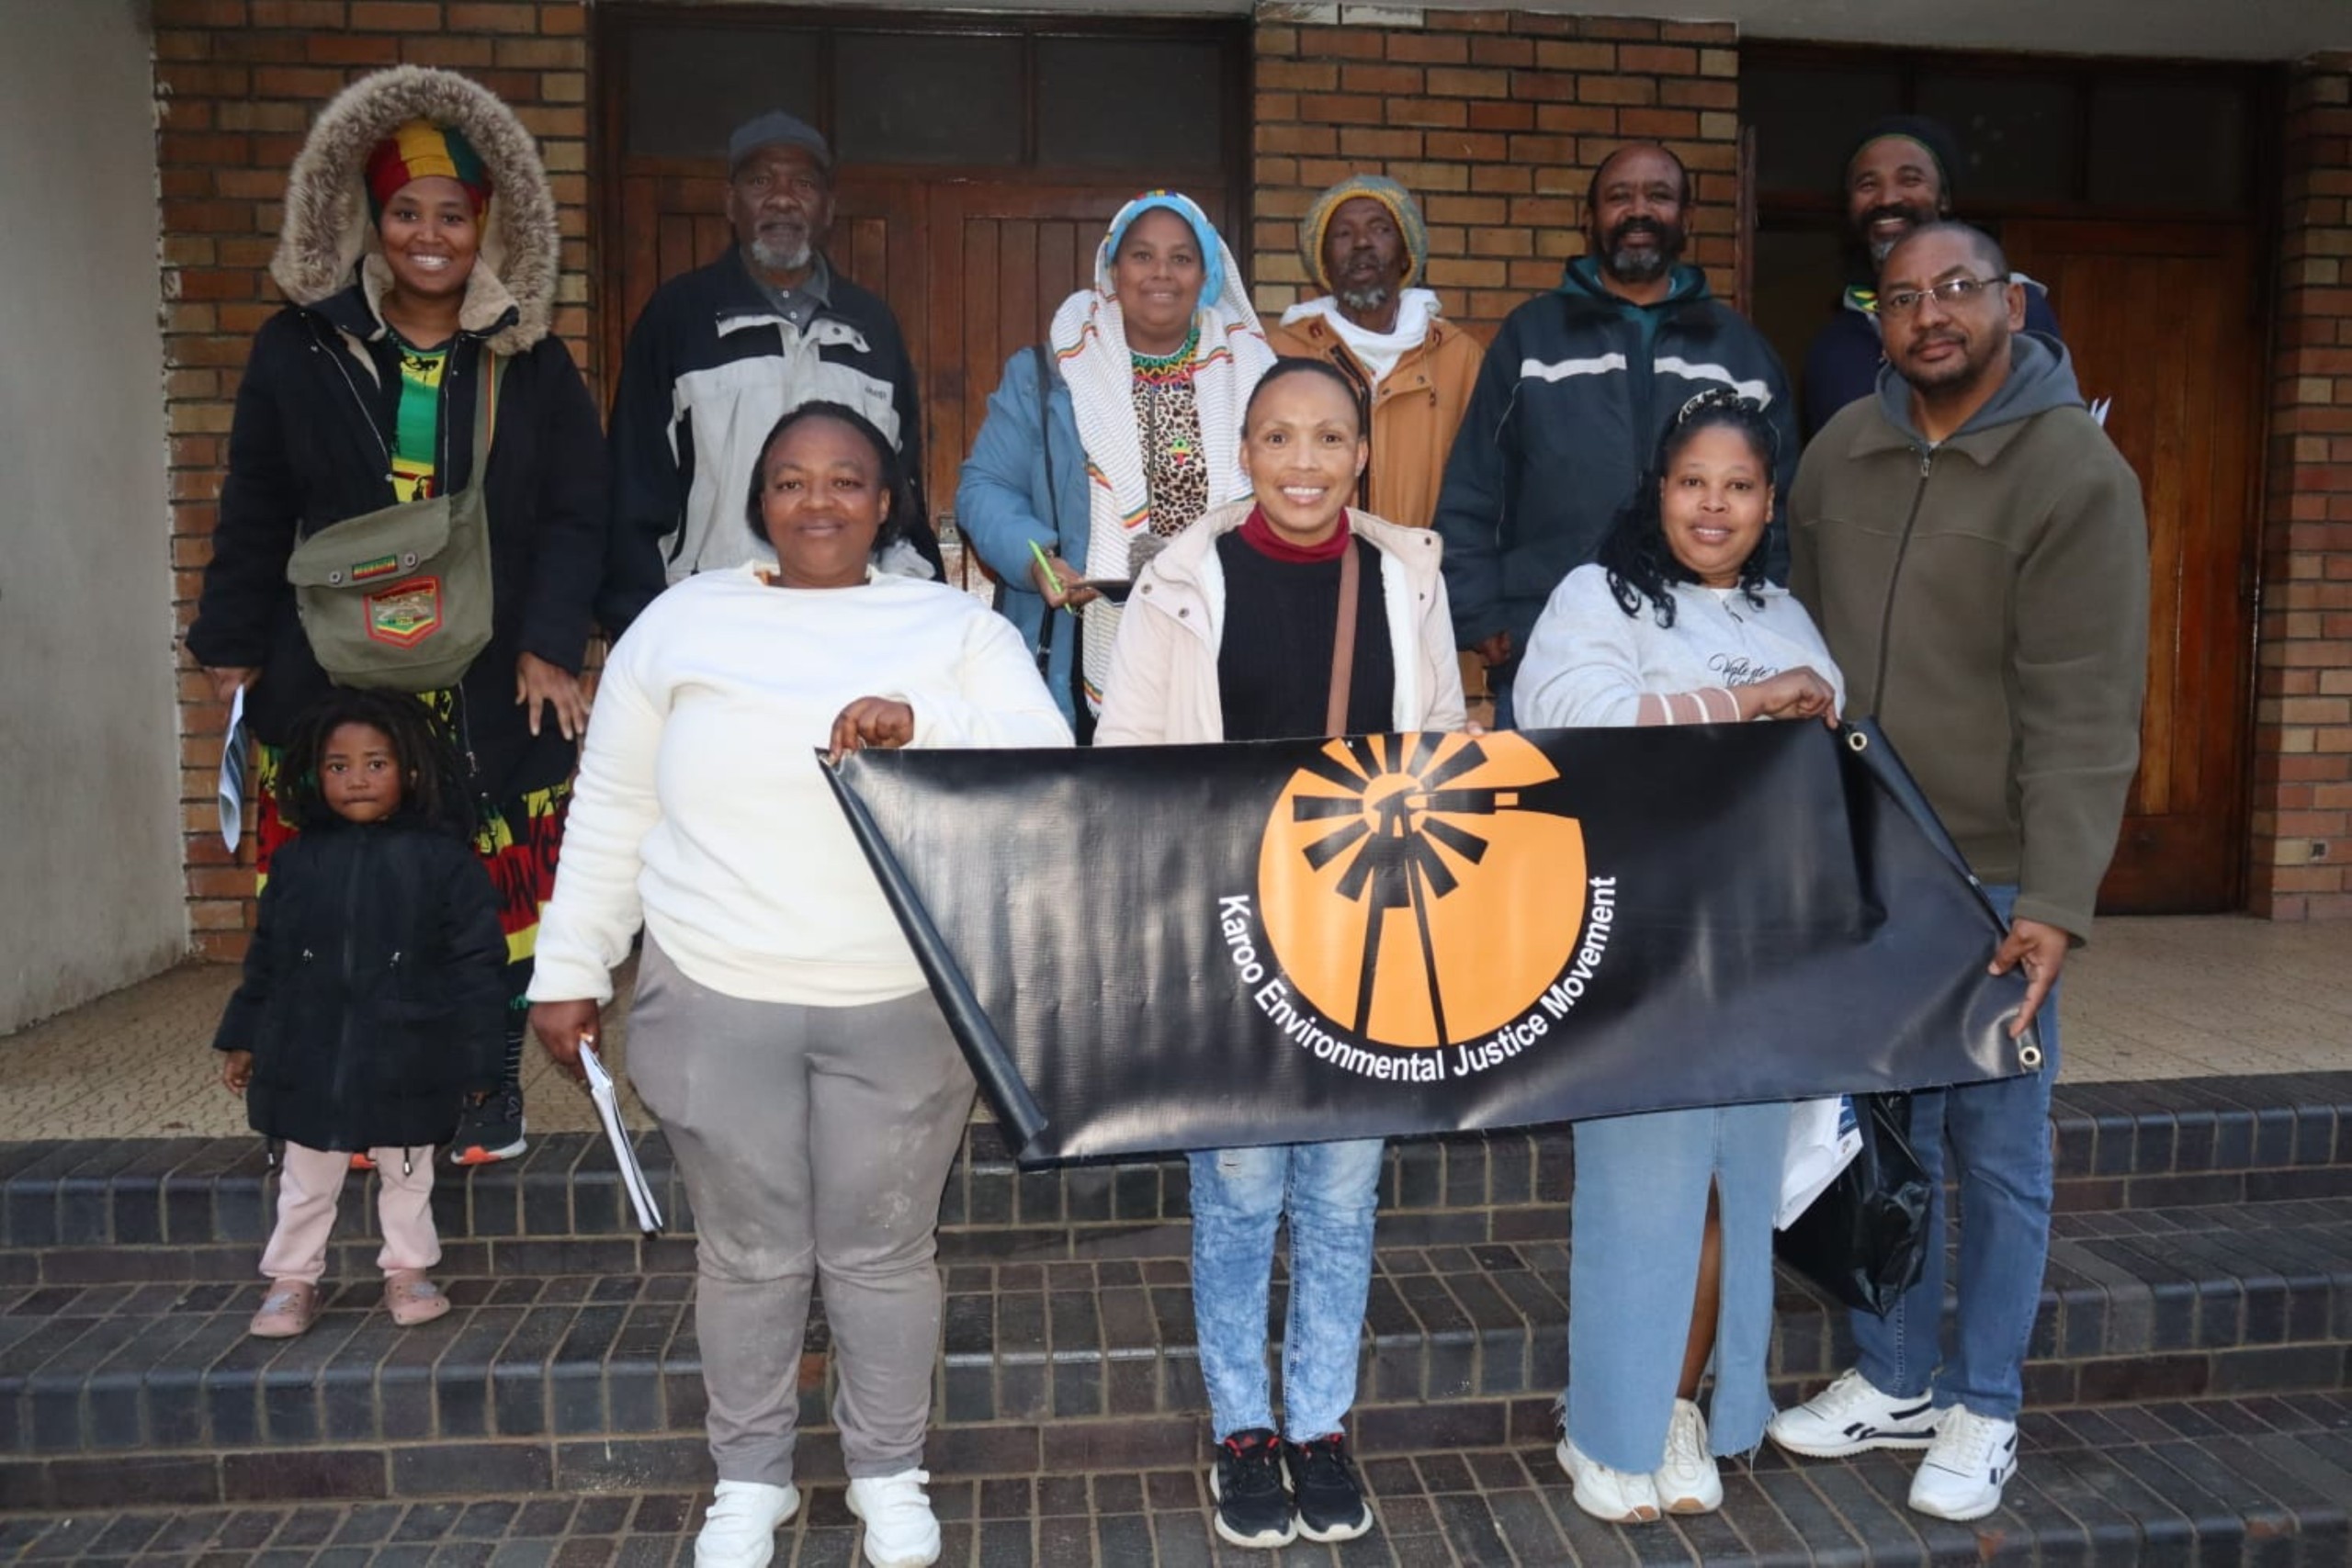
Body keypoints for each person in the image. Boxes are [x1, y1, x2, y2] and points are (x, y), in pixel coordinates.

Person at [526, 404, 1070, 1568]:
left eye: (845, 480)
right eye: (790, 480)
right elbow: (613, 805)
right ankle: (749, 1482)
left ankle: (888, 1473)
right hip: (715, 986)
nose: (817, 501)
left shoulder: (951, 625)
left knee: (883, 1251)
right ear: (759, 501)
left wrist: (921, 722)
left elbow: (1046, 762)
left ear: (887, 502)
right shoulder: (680, 622)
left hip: (901, 998)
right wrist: (569, 965)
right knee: (748, 1255)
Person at [1770, 221, 2147, 1522]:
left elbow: (2088, 705)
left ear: (2010, 305)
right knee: (1890, 1140)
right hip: (1868, 863)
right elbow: (1792, 634)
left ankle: (1986, 1400)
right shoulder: (1839, 450)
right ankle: (1895, 1376)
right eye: (1902, 297)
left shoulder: (2074, 469)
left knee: (1998, 1149)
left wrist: (2055, 901)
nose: (1930, 314)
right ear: (1875, 319)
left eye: (1956, 290)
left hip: (1993, 877)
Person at [186, 65, 607, 1168]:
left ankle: (487, 1089)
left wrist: (550, 645)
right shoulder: (296, 348)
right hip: (336, 664)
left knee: (493, 898)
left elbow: (579, 511)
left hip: (488, 672)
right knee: (347, 893)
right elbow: (255, 501)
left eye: (452, 215)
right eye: (407, 212)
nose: (430, 236)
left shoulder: (530, 357)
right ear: (371, 223)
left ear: (486, 226)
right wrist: (232, 644)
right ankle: (356, 1098)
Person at [1096, 359, 1467, 1551]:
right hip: (1226, 931)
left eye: (1328, 438)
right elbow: (1128, 762)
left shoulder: (1406, 577)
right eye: (1277, 437)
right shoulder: (1181, 580)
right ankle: (1243, 1428)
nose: (1303, 462)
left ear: (1361, 452)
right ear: (1244, 450)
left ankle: (1319, 1424)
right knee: (1242, 1188)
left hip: (1370, 929)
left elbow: (1444, 746)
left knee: (1344, 1193)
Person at [1514, 391, 1842, 1522]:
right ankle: (1605, 1424)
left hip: (1753, 947)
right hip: (1633, 939)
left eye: (1738, 486)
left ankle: (1677, 1405)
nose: (1714, 505)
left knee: (1729, 1192)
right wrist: (1749, 704)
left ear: (1768, 503)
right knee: (1641, 1183)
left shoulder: (1785, 616)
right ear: (1658, 489)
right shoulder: (1595, 596)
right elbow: (1569, 718)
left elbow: (1827, 763)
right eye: (1692, 481)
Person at [1433, 141, 1798, 727]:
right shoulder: (1531, 337)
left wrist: (1759, 619)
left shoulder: (1742, 352)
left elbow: (1779, 510)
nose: (1639, 210)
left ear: (1687, 218)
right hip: (1547, 644)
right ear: (1590, 218)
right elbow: (1477, 484)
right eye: (1619, 197)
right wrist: (1479, 612)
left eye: (1659, 196)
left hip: (1705, 658)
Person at [215, 691, 507, 1339]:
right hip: (310, 1050)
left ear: (412, 770)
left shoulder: (443, 862)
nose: (356, 779)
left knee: (408, 1172)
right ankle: (291, 1279)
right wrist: (244, 1036)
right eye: (337, 765)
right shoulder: (297, 861)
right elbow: (268, 958)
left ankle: (408, 1269)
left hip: (410, 1048)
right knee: (305, 1177)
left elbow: (477, 965)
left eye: (376, 763)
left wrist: (479, 1058)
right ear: (313, 775)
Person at [601, 111, 940, 633]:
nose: (782, 199)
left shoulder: (872, 325)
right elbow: (633, 486)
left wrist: (914, 610)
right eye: (760, 181)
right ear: (730, 202)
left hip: (852, 623)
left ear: (828, 208)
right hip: (716, 618)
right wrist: (644, 626)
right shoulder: (679, 317)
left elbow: (902, 492)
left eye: (803, 184)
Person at [958, 190, 1275, 726]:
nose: (1161, 273)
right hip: (1082, 638)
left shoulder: (1256, 374)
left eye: (1181, 257)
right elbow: (984, 487)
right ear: (1113, 268)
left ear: (1206, 275)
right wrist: (1037, 561)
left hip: (1228, 636)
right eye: (1142, 255)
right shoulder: (1051, 373)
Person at [1800, 115, 2063, 438]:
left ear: (1944, 198)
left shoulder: (2004, 305)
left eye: (1910, 180)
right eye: (1868, 185)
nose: (1887, 198)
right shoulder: (1836, 346)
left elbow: (2047, 435)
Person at [1266, 175, 1483, 532]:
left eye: (1380, 229)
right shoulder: (1281, 354)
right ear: (1324, 265)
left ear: (1406, 255)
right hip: (1309, 563)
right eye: (1343, 234)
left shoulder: (1459, 358)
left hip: (1424, 564)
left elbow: (1484, 485)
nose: (1362, 242)